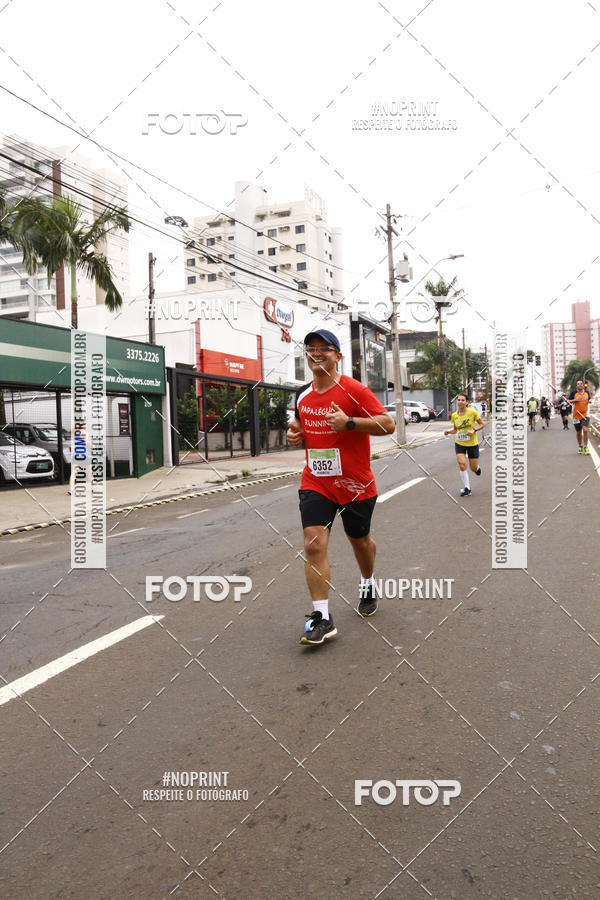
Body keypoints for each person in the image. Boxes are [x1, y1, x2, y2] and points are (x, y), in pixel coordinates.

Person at [286, 329, 395, 646]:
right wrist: (296, 437)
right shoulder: (302, 396)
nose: (316, 353)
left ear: (338, 356)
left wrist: (349, 422)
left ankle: (367, 581)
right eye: (311, 348)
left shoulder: (354, 390)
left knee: (360, 542)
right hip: (317, 482)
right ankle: (322, 617)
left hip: (355, 485)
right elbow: (301, 429)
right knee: (313, 544)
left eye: (324, 348)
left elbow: (387, 424)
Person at [444, 393, 485, 497]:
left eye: (463, 400)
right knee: (462, 464)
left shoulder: (472, 412)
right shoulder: (454, 416)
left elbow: (482, 424)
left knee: (473, 468)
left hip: (472, 443)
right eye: (459, 400)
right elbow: (455, 430)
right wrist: (448, 432)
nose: (460, 402)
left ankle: (477, 469)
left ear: (467, 402)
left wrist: (474, 430)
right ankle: (467, 488)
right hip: (460, 443)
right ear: (457, 402)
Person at [567, 379, 591, 454]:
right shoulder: (573, 393)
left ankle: (586, 446)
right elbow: (568, 401)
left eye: (581, 383)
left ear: (583, 385)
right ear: (576, 385)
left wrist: (589, 401)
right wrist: (575, 400)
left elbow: (589, 399)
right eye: (578, 384)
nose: (580, 385)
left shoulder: (586, 392)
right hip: (576, 415)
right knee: (578, 432)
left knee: (585, 429)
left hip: (585, 414)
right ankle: (580, 446)